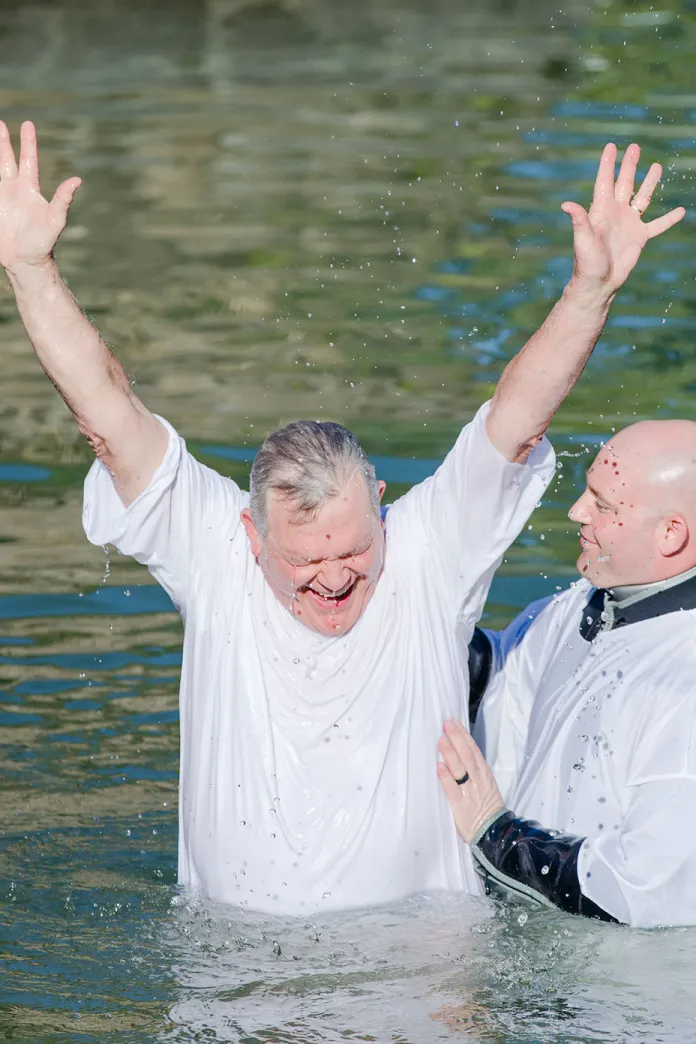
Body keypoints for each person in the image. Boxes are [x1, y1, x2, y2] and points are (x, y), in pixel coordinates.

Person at [0, 120, 683, 914]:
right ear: (251, 537)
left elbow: (517, 417)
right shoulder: (213, 550)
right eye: (303, 560)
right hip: (235, 995)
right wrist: (30, 269)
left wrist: (590, 290)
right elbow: (108, 417)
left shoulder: (428, 553)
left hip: (419, 994)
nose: (333, 578)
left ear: (384, 510)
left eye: (355, 549)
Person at [439, 419, 696, 928]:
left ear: (671, 533)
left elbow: (647, 888)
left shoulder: (684, 683)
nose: (577, 511)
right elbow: (502, 683)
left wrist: (496, 836)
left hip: (617, 992)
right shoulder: (586, 604)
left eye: (603, 506)